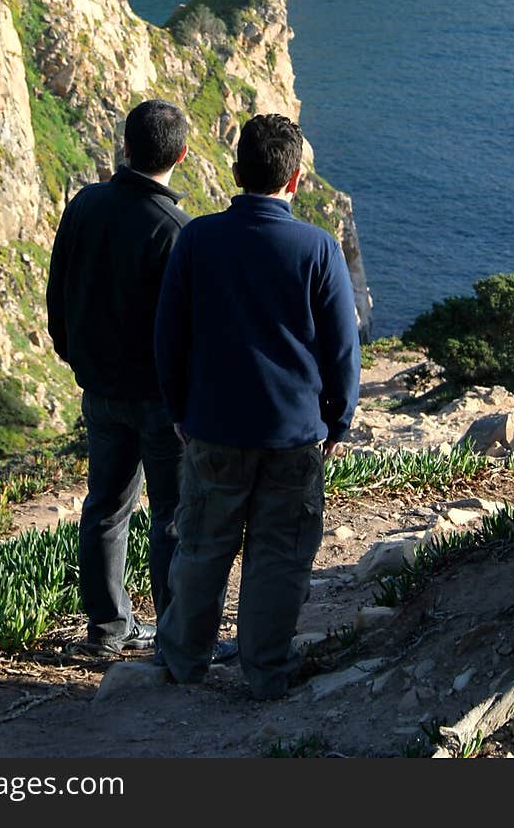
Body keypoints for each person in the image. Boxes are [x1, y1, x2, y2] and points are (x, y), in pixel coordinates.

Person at [153, 112, 361, 700]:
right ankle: (266, 669)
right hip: (294, 434)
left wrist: (178, 409)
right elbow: (344, 349)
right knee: (280, 555)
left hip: (212, 428)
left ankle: (184, 662)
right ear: (294, 180)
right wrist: (337, 420)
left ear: (236, 170)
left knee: (201, 547)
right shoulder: (318, 249)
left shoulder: (197, 238)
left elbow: (168, 336)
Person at [45, 99, 189, 655]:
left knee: (104, 507)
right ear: (180, 155)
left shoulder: (84, 205)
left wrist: (72, 353)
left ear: (126, 147)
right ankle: (173, 636)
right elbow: (185, 329)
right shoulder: (175, 228)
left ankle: (107, 631)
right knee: (171, 517)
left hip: (99, 389)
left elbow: (57, 290)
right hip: (158, 398)